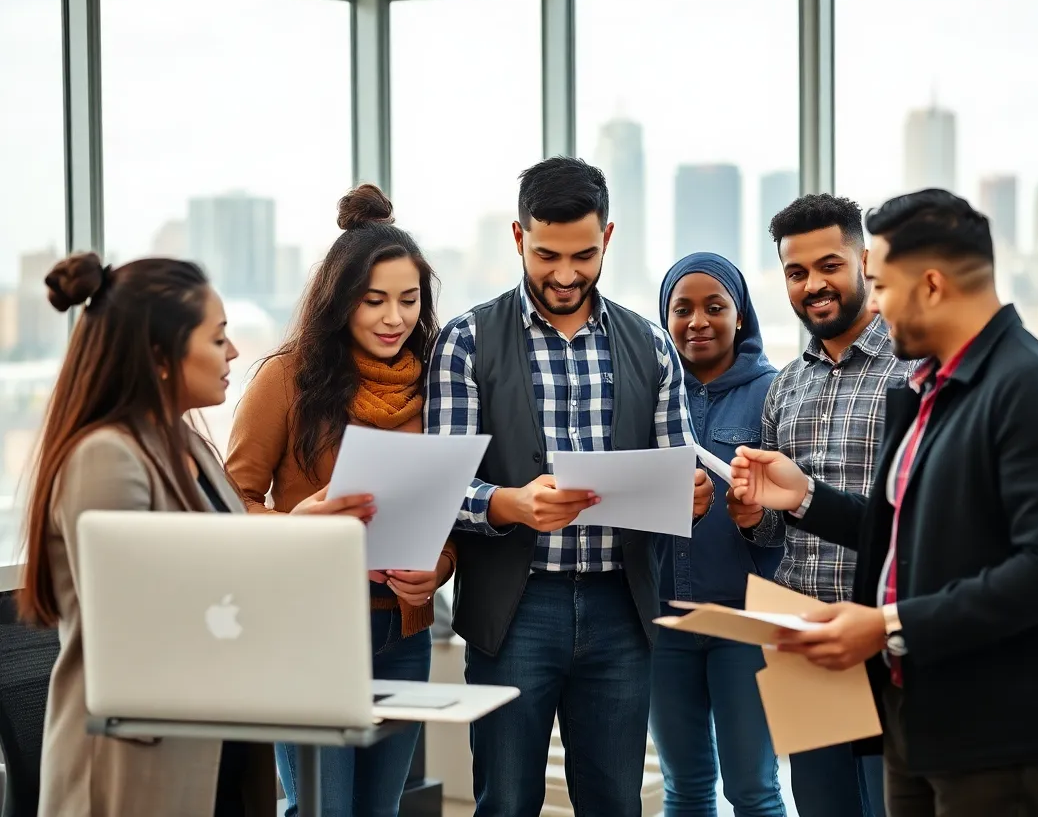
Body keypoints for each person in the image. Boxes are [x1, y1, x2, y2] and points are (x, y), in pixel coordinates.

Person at [731, 189, 1038, 817]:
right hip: (923, 702)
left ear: (931, 285)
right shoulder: (934, 387)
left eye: (880, 284)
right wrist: (804, 498)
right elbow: (905, 536)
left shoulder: (1034, 390)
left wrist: (885, 624)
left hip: (1000, 726)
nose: (874, 302)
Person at [21, 253, 374, 817]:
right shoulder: (106, 457)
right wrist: (287, 548)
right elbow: (142, 622)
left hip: (217, 740)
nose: (233, 352)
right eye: (217, 339)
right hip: (139, 763)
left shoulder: (190, 447)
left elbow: (218, 580)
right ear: (160, 356)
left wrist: (296, 535)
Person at [425, 156, 714, 817]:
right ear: (518, 236)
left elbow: (676, 472)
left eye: (583, 255)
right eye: (546, 253)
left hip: (622, 607)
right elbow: (441, 488)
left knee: (615, 802)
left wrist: (689, 499)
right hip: (516, 611)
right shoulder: (467, 342)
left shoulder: (651, 343)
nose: (564, 273)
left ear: (608, 238)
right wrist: (509, 504)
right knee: (507, 801)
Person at [225, 184, 454, 817]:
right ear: (339, 301)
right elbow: (228, 502)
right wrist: (296, 523)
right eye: (373, 300)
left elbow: (447, 511)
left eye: (408, 300)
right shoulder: (287, 376)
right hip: (312, 626)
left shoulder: (439, 382)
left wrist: (437, 568)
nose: (393, 318)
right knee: (323, 810)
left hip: (404, 632)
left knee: (379, 811)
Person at [727, 194, 907, 817]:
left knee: (891, 802)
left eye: (829, 265)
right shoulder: (786, 385)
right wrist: (752, 516)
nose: (813, 285)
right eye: (796, 273)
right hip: (803, 634)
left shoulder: (911, 370)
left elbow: (918, 518)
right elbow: (777, 528)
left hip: (884, 639)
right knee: (821, 805)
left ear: (862, 260)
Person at [651, 252, 785, 817]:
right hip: (664, 622)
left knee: (754, 790)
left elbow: (798, 512)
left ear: (740, 314)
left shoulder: (774, 393)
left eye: (715, 307)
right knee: (683, 789)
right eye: (682, 309)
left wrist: (756, 515)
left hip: (746, 623)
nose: (698, 321)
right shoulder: (650, 394)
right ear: (665, 317)